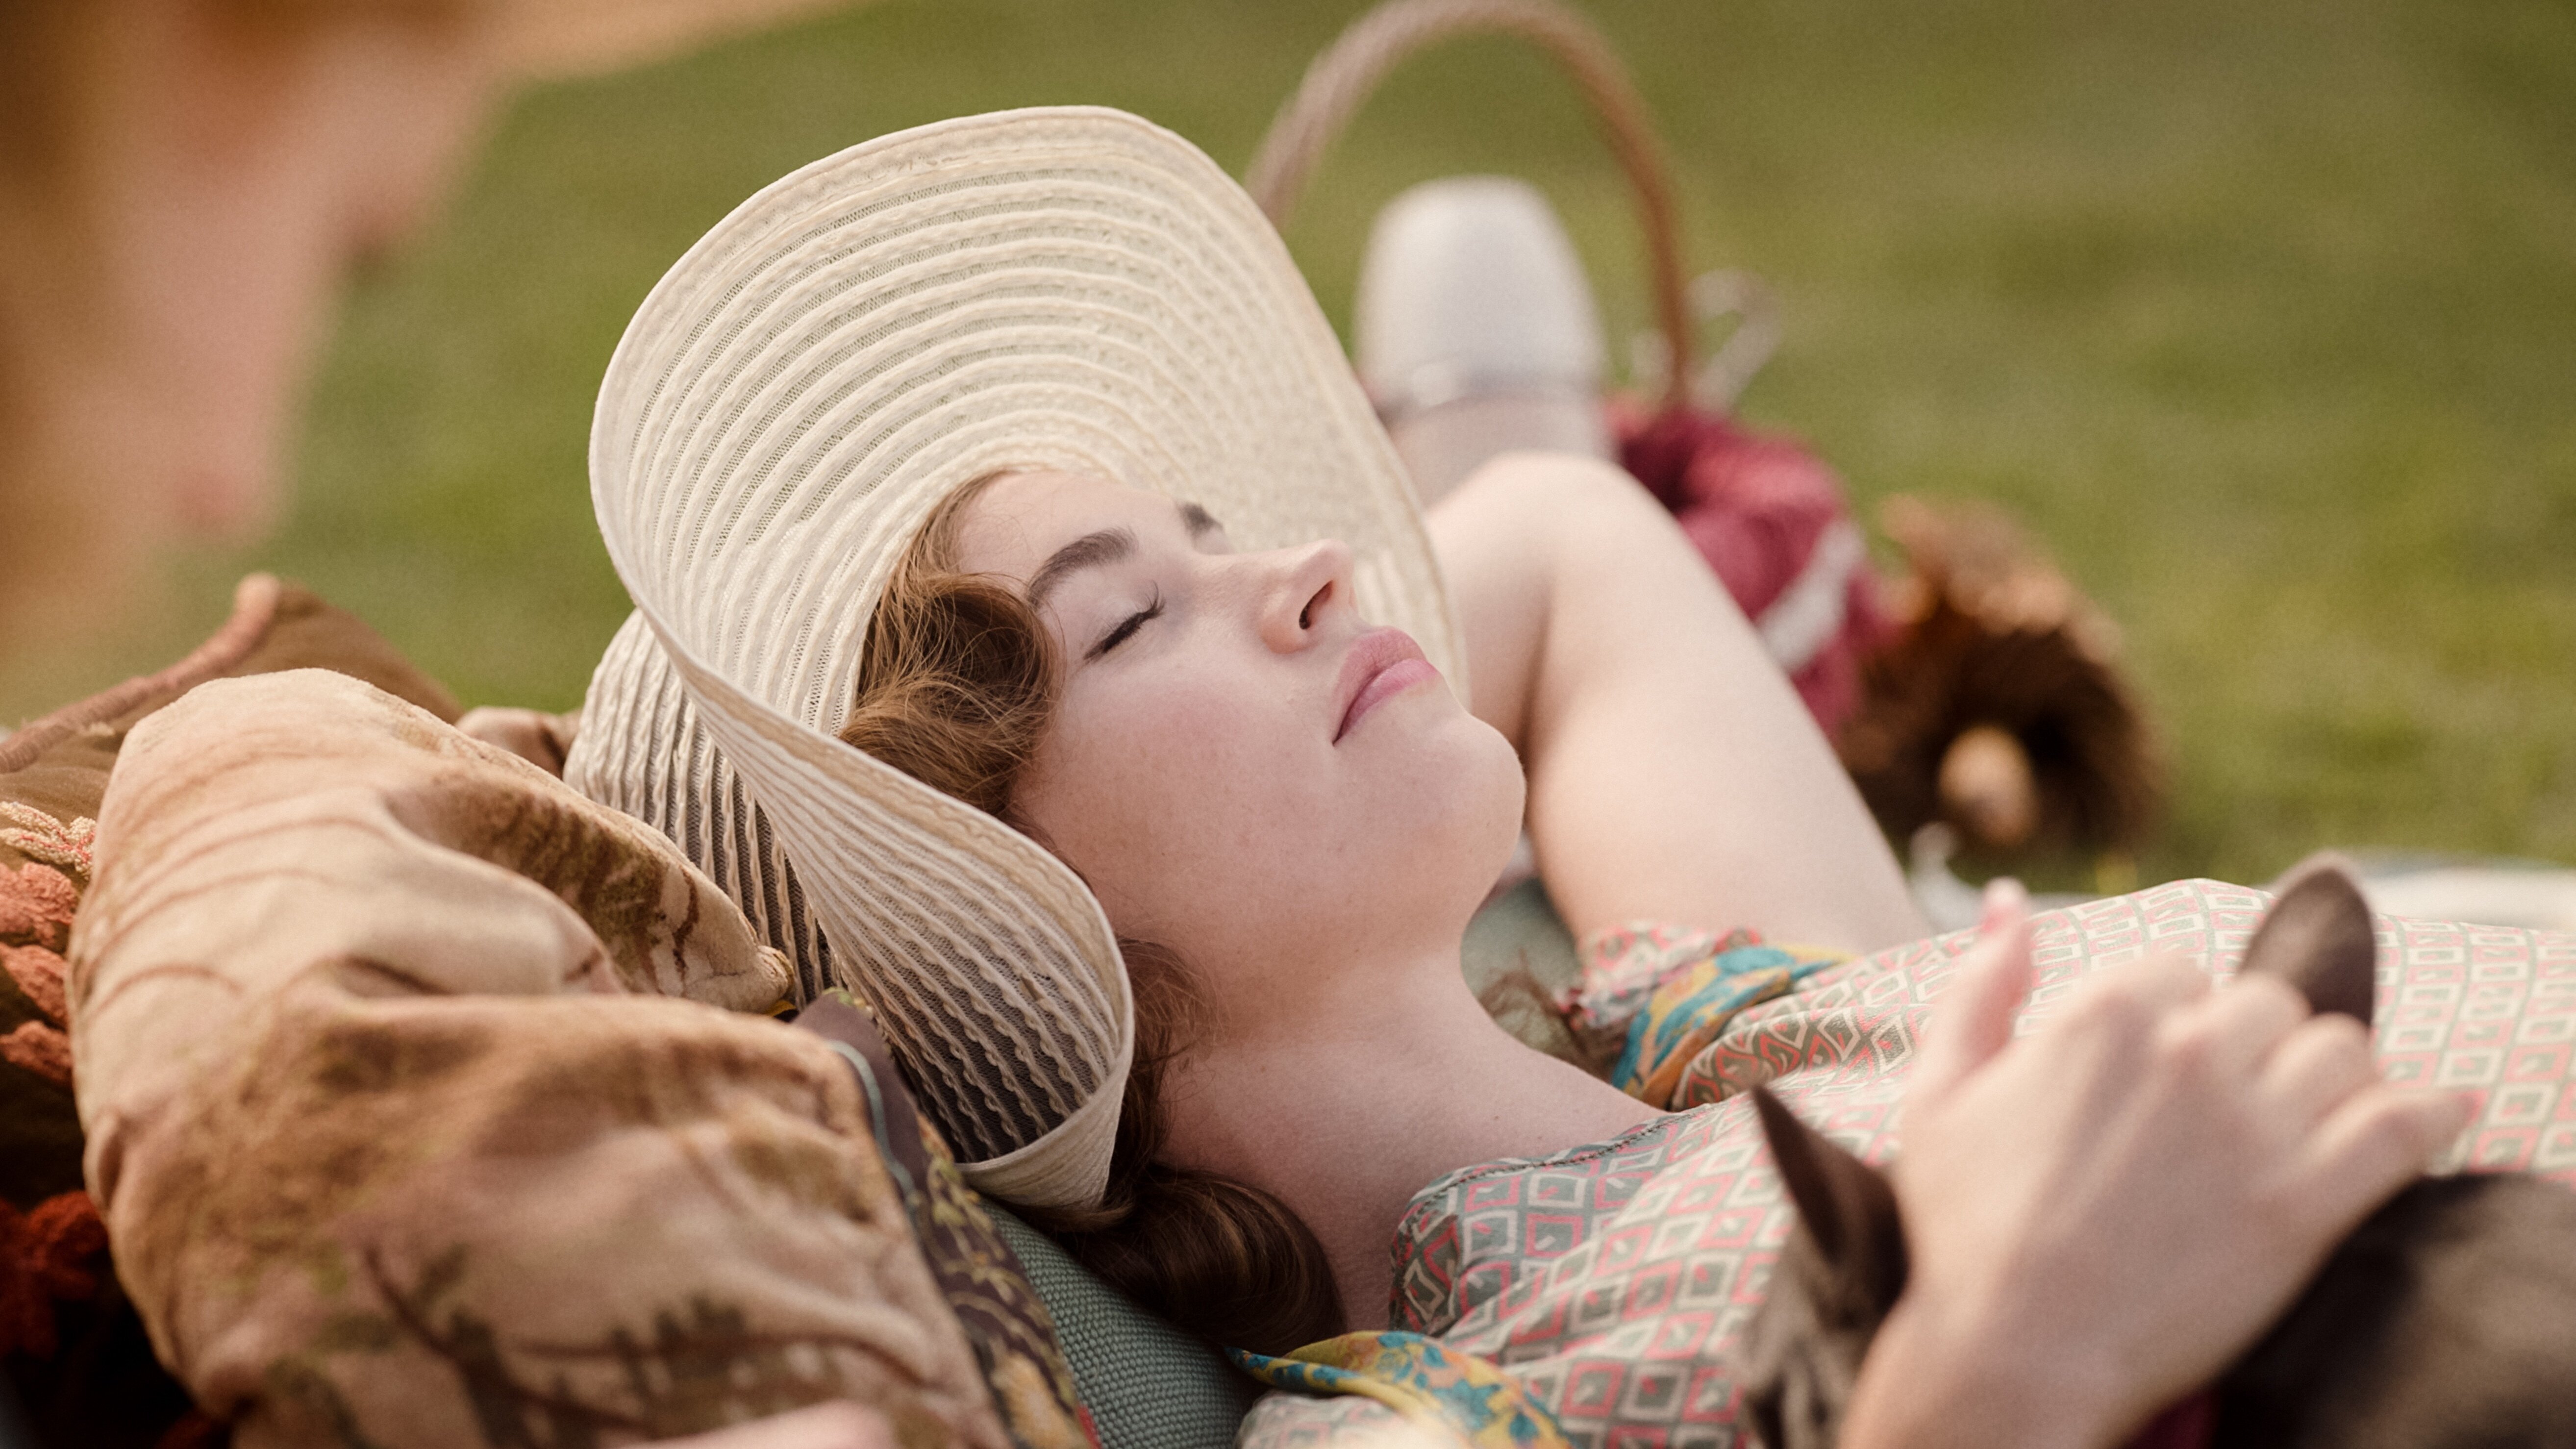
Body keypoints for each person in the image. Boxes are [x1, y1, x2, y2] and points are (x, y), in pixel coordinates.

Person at [570, 107, 2471, 1448]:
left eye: (1217, 531)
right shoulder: (1436, 1406)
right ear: (1010, 942)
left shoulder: (1732, 1016)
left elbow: (1562, 532)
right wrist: (1998, 1367)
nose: (1317, 565)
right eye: (1134, 619)